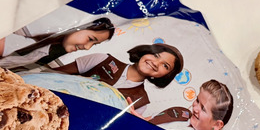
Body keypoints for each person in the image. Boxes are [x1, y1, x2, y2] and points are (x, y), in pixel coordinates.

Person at [53, 43, 184, 115]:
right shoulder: (102, 59)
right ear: (145, 52)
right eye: (155, 55)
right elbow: (51, 74)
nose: (156, 63)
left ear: (164, 76)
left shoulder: (140, 102)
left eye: (165, 66)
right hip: (51, 102)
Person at [149, 79, 234, 130]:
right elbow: (149, 120)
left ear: (217, 125)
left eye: (203, 109)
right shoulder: (181, 112)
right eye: (197, 100)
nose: (195, 108)